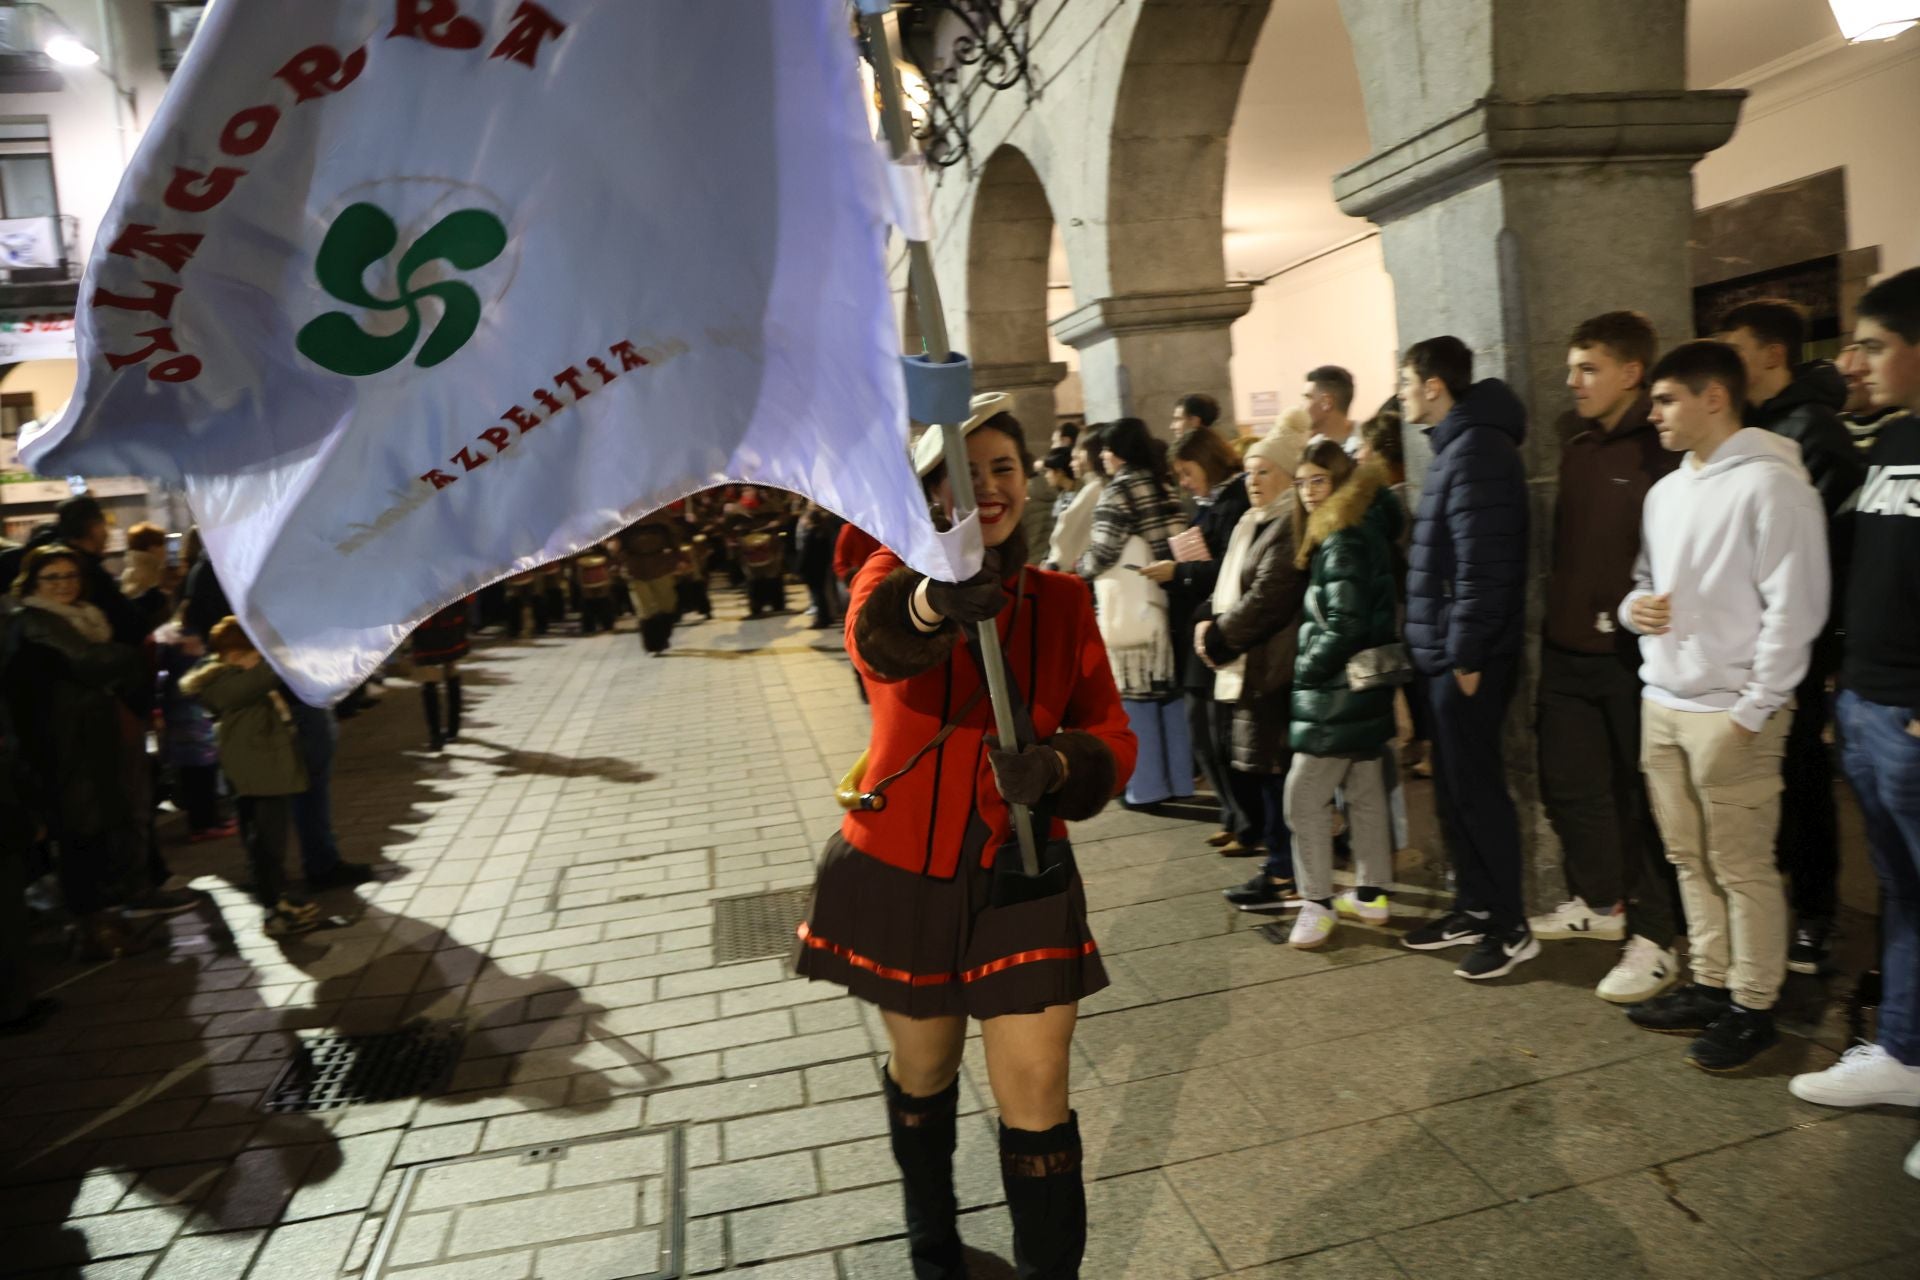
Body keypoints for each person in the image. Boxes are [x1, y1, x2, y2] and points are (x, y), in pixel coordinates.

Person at [793, 403, 1136, 1279]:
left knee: (1038, 1093)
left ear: (1030, 480)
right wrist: (933, 598)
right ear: (924, 490)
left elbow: (1111, 731)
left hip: (1025, 873)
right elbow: (881, 643)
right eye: (959, 471)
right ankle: (933, 1244)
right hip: (905, 873)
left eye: (1003, 468)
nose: (985, 487)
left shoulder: (1061, 601)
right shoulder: (884, 574)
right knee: (927, 1068)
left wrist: (1062, 766)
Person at [1618, 340, 1828, 1073]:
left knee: (1742, 866)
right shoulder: (1665, 491)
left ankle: (1753, 1003)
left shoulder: (1774, 486)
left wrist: (1756, 706)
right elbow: (1644, 578)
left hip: (1733, 707)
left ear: (1715, 398)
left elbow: (1795, 607)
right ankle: (1709, 982)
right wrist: (1631, 608)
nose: (1654, 412)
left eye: (1668, 398)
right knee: (1686, 856)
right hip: (1663, 697)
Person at [1786, 267, 1920, 1182]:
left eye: (1872, 345)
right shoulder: (1894, 441)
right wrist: (1841, 687)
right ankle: (1906, 1053)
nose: (1853, 363)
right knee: (1905, 895)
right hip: (1869, 705)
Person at [1528, 311, 1684, 1004]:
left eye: (1588, 368)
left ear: (1631, 372)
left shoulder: (1662, 455)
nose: (1573, 381)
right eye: (1572, 367)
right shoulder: (1579, 448)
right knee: (1572, 788)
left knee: (1640, 801)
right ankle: (1602, 899)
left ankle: (1657, 938)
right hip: (1565, 651)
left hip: (1630, 656)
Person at [1715, 299, 1866, 976]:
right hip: (1743, 637)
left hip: (1794, 640)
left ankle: (1815, 914)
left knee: (1802, 778)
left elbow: (1825, 555)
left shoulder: (1815, 432)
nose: (1728, 364)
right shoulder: (1748, 428)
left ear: (1773, 354)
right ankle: (1770, 900)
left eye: (1737, 349)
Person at [1396, 336, 1536, 980]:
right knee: (1453, 790)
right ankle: (1474, 906)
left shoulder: (1477, 450)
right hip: (1446, 653)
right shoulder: (1457, 446)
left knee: (1478, 790)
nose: (1400, 396)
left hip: (1466, 656)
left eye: (1406, 383)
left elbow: (1485, 565)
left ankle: (1510, 926)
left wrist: (1467, 653)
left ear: (1433, 386)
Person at [1280, 440, 1405, 947]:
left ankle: (1316, 902)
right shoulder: (1364, 525)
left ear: (1340, 483)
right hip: (1365, 685)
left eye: (1319, 481)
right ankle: (1372, 894)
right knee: (1364, 788)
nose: (1309, 493)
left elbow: (1345, 623)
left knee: (1303, 796)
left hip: (1337, 689)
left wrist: (1306, 669)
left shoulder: (1341, 539)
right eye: (1302, 482)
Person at [3, 546, 152, 959]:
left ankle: (103, 918)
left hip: (91, 740)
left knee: (102, 826)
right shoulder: (32, 621)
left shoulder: (84, 617)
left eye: (70, 576)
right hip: (58, 745)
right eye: (53, 577)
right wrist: (127, 657)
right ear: (33, 582)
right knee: (79, 833)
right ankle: (91, 928)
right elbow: (93, 663)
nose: (64, 584)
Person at [1201, 434, 1309, 912]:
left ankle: (1285, 874)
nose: (1253, 481)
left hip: (1272, 670)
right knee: (1266, 772)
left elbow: (1267, 596)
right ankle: (1282, 869)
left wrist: (1219, 637)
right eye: (1248, 472)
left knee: (1275, 775)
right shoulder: (1256, 521)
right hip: (1256, 666)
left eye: (1264, 471)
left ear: (1288, 475)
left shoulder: (1286, 523)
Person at [1144, 427, 1256, 852]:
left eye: (1187, 472)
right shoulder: (1212, 505)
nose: (1184, 483)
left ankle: (1247, 824)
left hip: (1221, 629)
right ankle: (1233, 816)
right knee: (1203, 734)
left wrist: (1179, 573)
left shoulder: (1235, 502)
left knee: (1217, 733)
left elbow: (1233, 570)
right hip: (1199, 629)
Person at [182, 619, 324, 938]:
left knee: (267, 840)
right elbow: (273, 671)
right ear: (233, 654)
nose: (259, 658)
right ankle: (274, 909)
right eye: (253, 652)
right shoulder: (229, 683)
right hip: (258, 774)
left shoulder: (233, 678)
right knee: (267, 842)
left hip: (260, 771)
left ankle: (279, 899)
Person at [1076, 417, 1191, 807]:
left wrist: (1080, 567)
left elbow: (1105, 551)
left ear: (1119, 452)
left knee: (1137, 696)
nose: (1104, 457)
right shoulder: (1163, 483)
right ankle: (1179, 780)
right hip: (1169, 598)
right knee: (1169, 695)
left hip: (1133, 608)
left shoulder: (1120, 490)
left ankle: (1146, 786)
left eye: (1108, 449)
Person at [154, 620, 231, 841]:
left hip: (196, 724)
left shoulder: (186, 662)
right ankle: (202, 824)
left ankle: (210, 819)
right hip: (188, 725)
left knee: (205, 773)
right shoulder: (181, 666)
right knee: (196, 777)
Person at [411, 599, 471, 750]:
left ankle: (440, 733)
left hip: (436, 621)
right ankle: (447, 730)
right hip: (438, 621)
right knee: (441, 675)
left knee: (437, 676)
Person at [1045, 428, 1105, 572]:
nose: (1073, 463)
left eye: (1077, 455)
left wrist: (1054, 564)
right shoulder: (1094, 487)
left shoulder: (1095, 489)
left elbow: (1067, 536)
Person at [622, 519, 683, 655]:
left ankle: (663, 636)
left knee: (668, 605)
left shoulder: (659, 515)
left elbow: (674, 536)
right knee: (645, 609)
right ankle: (653, 644)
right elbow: (617, 543)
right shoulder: (624, 518)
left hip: (660, 566)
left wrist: (678, 558)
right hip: (636, 568)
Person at [1303, 365, 1359, 455]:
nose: (1302, 407)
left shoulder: (1368, 446)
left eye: (1308, 398)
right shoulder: (1311, 450)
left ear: (1327, 402)